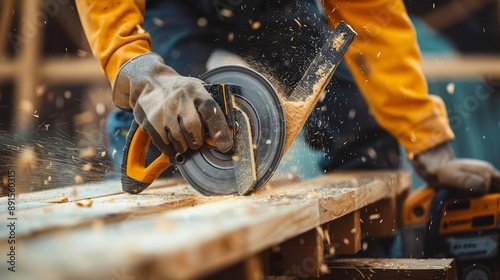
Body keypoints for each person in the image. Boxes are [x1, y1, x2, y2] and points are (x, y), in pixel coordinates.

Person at [76, 0, 500, 195]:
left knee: (359, 120)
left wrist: (425, 137)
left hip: (274, 8)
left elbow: (375, 21)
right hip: (171, 7)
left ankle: (358, 256)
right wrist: (139, 69)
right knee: (164, 125)